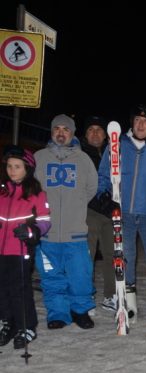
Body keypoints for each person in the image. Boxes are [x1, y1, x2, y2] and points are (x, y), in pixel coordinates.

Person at [97, 105, 146, 323]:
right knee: (126, 257)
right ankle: (128, 305)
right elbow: (104, 173)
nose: (141, 124)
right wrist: (103, 194)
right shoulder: (118, 144)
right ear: (132, 122)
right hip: (124, 212)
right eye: (137, 120)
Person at [35, 115, 98, 329]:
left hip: (75, 232)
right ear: (52, 131)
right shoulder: (39, 157)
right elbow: (31, 190)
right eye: (57, 129)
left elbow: (91, 188)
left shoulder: (83, 159)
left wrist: (75, 204)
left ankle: (80, 310)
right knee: (51, 276)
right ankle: (58, 313)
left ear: (72, 133)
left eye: (66, 129)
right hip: (47, 233)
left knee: (80, 274)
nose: (61, 133)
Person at [0, 146, 51, 349]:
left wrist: (31, 232)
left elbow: (45, 222)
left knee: (20, 289)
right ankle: (9, 322)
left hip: (20, 250)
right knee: (2, 289)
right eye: (10, 166)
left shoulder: (36, 194)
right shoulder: (2, 192)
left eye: (17, 167)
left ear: (27, 169)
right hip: (1, 251)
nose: (13, 170)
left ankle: (27, 326)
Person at [81, 115, 118, 312]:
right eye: (91, 130)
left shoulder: (114, 153)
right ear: (86, 134)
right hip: (89, 210)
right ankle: (86, 295)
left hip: (111, 210)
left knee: (112, 254)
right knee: (88, 253)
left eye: (99, 130)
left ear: (105, 135)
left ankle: (111, 295)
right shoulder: (79, 154)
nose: (95, 133)